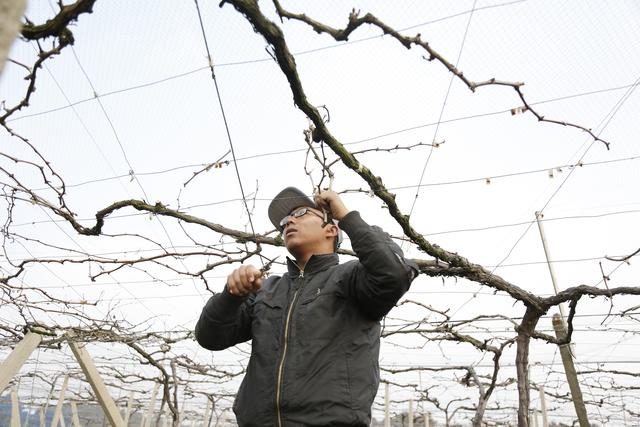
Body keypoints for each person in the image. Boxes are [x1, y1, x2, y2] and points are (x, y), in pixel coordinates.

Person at [195, 187, 418, 426]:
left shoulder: (351, 278)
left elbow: (393, 273)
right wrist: (231, 296)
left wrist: (345, 216)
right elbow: (210, 337)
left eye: (301, 212)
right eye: (284, 221)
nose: (289, 220)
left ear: (331, 230)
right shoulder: (266, 290)